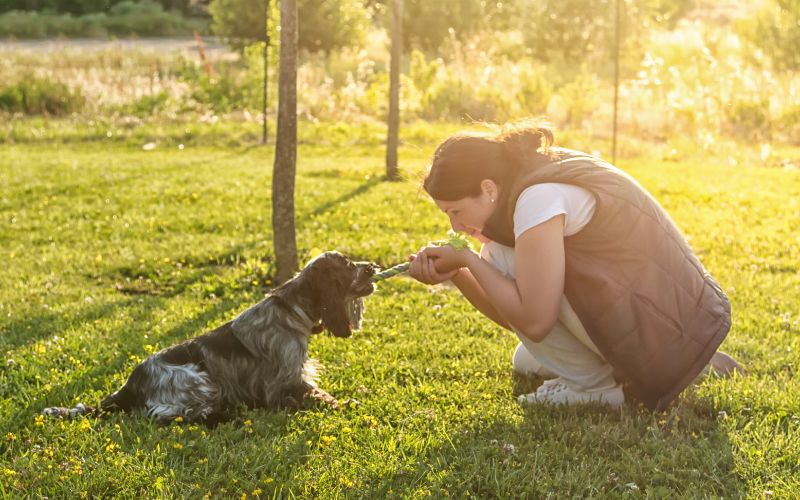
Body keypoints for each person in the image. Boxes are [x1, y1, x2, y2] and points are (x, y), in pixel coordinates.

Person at [408, 121, 739, 411]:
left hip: (659, 325)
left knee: (496, 258)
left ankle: (594, 390)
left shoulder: (536, 199)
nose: (454, 227)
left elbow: (535, 321)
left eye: (455, 211)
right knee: (524, 359)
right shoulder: (528, 173)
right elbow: (518, 321)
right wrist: (461, 275)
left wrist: (468, 259)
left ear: (488, 188)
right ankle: (678, 364)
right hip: (663, 319)